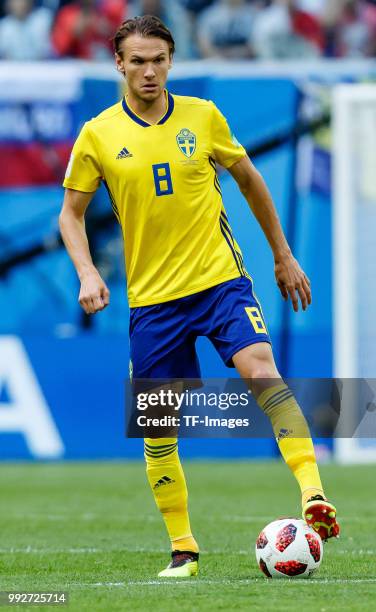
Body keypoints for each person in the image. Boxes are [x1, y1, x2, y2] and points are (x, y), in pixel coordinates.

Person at [59, 15, 340, 578]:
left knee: (260, 370)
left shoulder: (203, 116)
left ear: (171, 61)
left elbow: (250, 180)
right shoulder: (97, 134)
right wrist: (88, 273)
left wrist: (283, 256)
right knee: (160, 425)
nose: (148, 70)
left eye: (158, 59)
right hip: (153, 302)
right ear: (119, 63)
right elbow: (71, 214)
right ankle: (183, 550)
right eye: (137, 60)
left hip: (219, 280)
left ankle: (313, 493)